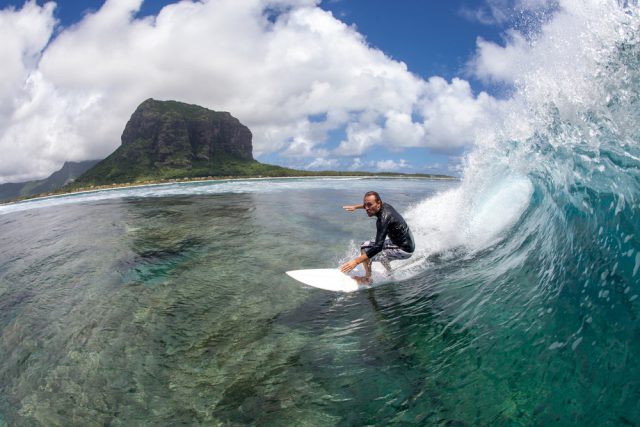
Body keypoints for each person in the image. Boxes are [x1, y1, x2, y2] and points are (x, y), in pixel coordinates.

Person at [340, 191, 415, 284]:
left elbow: (378, 247)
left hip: (403, 249)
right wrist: (356, 207)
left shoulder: (383, 219)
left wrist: (355, 261)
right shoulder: (384, 205)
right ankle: (390, 273)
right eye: (365, 205)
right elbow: (369, 205)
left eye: (369, 205)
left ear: (378, 203)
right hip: (406, 243)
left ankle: (367, 279)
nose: (366, 208)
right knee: (378, 251)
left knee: (365, 248)